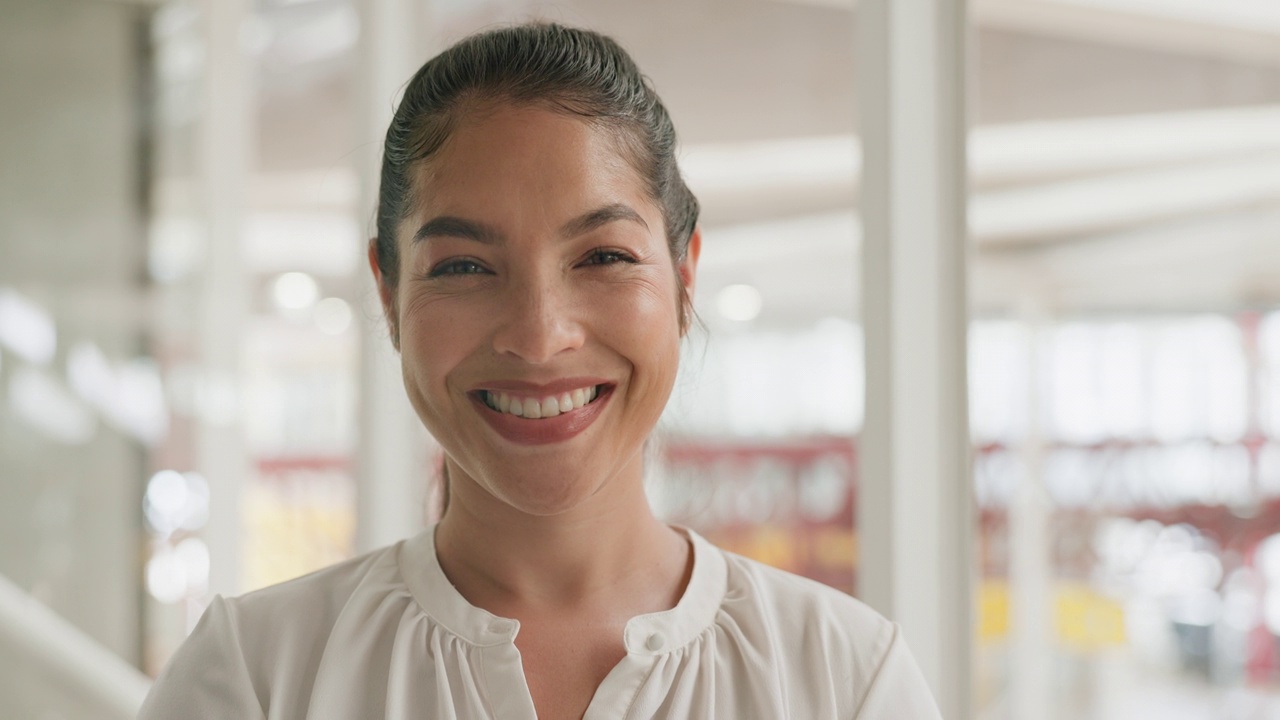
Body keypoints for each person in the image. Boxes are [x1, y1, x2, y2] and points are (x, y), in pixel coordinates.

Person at [138, 23, 942, 720]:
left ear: (684, 278)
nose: (539, 336)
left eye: (602, 256)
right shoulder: (257, 678)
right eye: (462, 267)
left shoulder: (844, 681)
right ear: (387, 291)